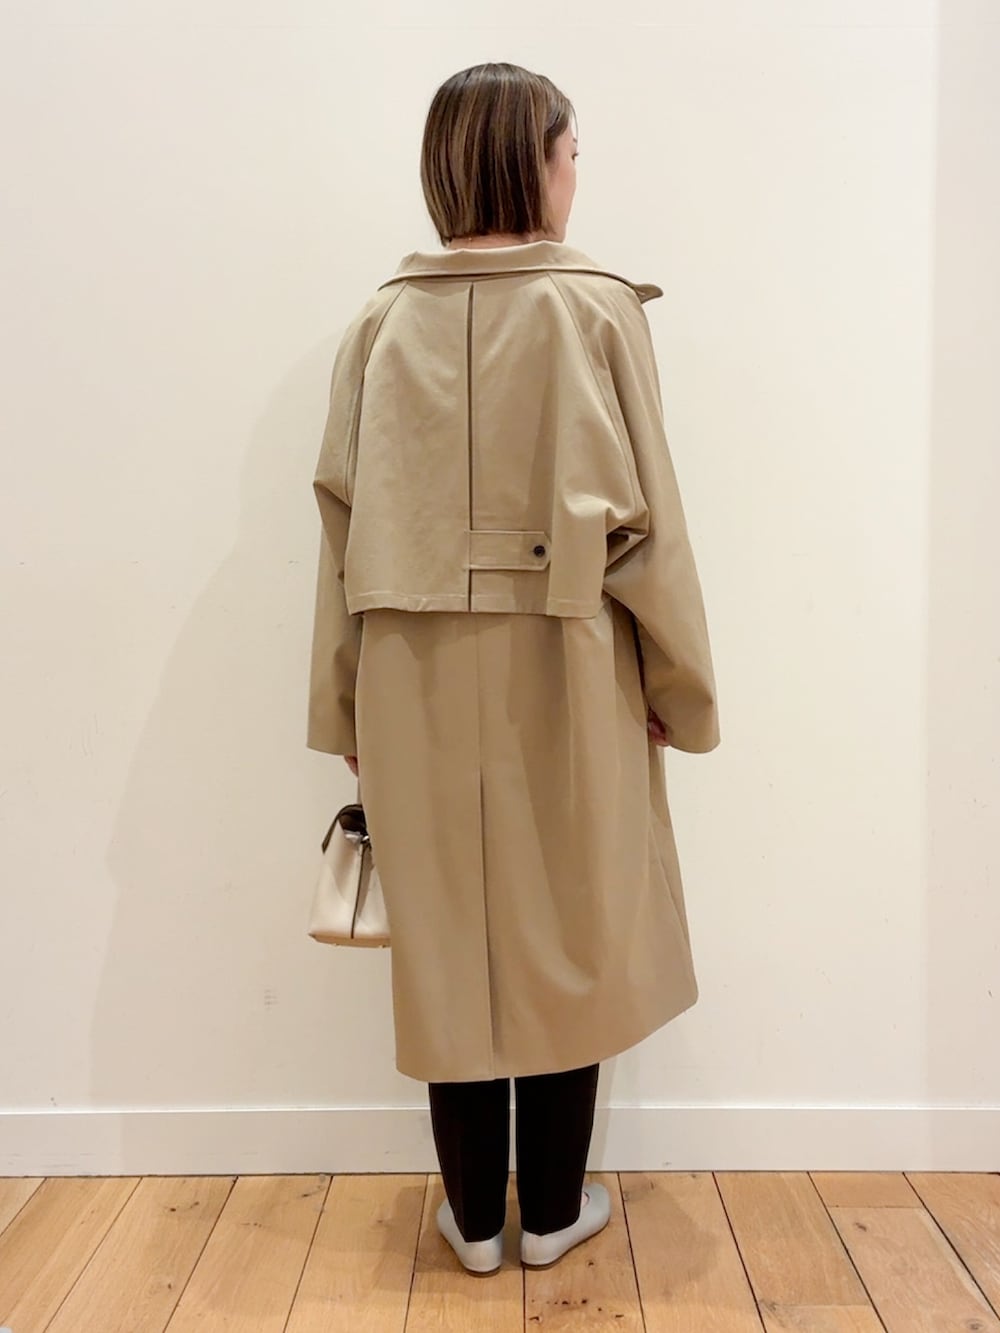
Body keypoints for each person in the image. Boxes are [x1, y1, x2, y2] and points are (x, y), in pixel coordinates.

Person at [306, 62, 720, 1275]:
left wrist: (344, 705)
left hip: (409, 665)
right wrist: (677, 689)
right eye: (570, 152)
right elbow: (651, 527)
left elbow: (337, 527)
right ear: (530, 162)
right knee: (569, 926)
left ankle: (474, 1223)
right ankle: (547, 1214)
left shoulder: (377, 322)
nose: (576, 174)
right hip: (568, 653)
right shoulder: (597, 310)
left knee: (447, 938)